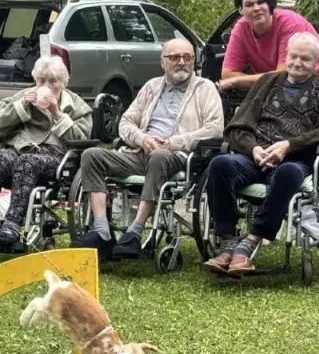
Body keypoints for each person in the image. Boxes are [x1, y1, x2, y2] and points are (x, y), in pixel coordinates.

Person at [202, 33, 319, 275]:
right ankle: (227, 242)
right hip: (255, 156)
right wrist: (253, 148)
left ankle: (251, 240)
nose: (297, 62)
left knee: (289, 172)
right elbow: (238, 125)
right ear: (286, 56)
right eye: (293, 56)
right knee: (220, 164)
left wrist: (289, 145)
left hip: (296, 158)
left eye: (305, 59)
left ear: (317, 63)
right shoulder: (268, 81)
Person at [73, 38, 224, 260]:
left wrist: (174, 142)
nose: (181, 62)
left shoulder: (205, 89)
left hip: (178, 156)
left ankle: (135, 231)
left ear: (194, 60)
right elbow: (126, 122)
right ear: (163, 62)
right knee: (91, 155)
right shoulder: (152, 86)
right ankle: (102, 231)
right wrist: (142, 138)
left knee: (159, 156)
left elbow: (214, 129)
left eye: (187, 57)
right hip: (140, 152)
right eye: (174, 57)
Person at [0, 55, 92, 254]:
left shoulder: (77, 106)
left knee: (28, 162)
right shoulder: (23, 96)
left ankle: (12, 225)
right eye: (41, 81)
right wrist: (21, 106)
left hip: (56, 157)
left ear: (63, 83)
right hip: (19, 150)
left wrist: (57, 113)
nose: (46, 86)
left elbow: (82, 139)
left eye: (52, 81)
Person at [217, 0, 319, 95]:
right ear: (240, 10)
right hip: (291, 85)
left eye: (261, 2)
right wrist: (268, 78)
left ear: (270, 4)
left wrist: (236, 81)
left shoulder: (290, 23)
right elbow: (227, 74)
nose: (256, 8)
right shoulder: (240, 29)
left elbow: (285, 75)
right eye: (249, 5)